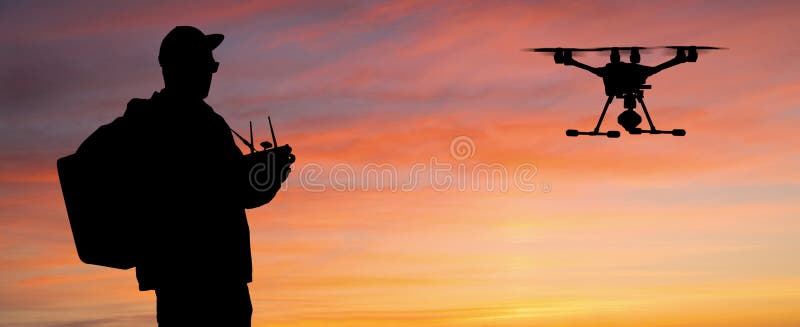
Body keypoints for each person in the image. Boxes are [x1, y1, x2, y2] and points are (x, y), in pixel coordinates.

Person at [75, 26, 292, 326]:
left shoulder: (148, 120)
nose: (211, 72)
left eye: (213, 65)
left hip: (184, 279)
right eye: (207, 64)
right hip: (211, 279)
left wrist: (269, 174)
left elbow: (233, 190)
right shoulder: (193, 124)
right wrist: (270, 175)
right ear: (183, 67)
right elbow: (236, 191)